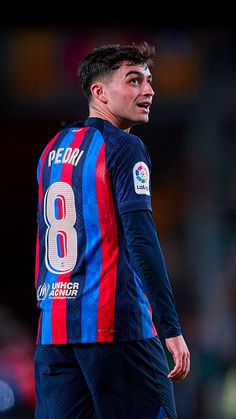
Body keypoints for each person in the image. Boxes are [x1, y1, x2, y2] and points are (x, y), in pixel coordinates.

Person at [34, 41, 190, 419]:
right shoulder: (124, 147)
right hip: (117, 332)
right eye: (134, 81)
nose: (148, 90)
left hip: (54, 334)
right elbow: (141, 239)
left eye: (149, 81)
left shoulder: (52, 149)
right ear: (99, 92)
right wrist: (170, 327)